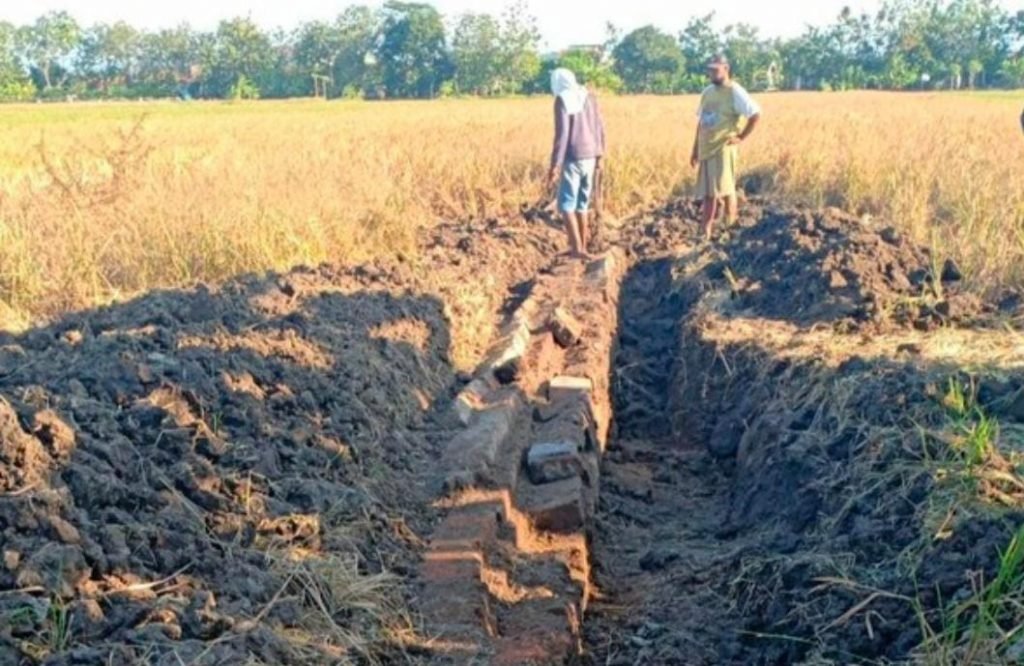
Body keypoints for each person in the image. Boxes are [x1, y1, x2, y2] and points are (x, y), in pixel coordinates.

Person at [690, 54, 762, 240]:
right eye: (710, 70)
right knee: (723, 188)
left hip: (723, 147)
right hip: (707, 148)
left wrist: (741, 137)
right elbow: (701, 122)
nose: (712, 73)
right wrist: (695, 150)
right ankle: (729, 224)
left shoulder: (735, 91)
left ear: (726, 69)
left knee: (713, 193)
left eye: (716, 69)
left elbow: (755, 114)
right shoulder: (707, 92)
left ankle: (707, 229)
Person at [548, 68, 606, 259]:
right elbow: (599, 127)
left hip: (573, 156)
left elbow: (562, 135)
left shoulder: (562, 100)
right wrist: (600, 155)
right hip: (590, 156)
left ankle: (577, 249)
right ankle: (581, 246)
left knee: (566, 205)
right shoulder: (588, 96)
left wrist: (555, 164)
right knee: (582, 204)